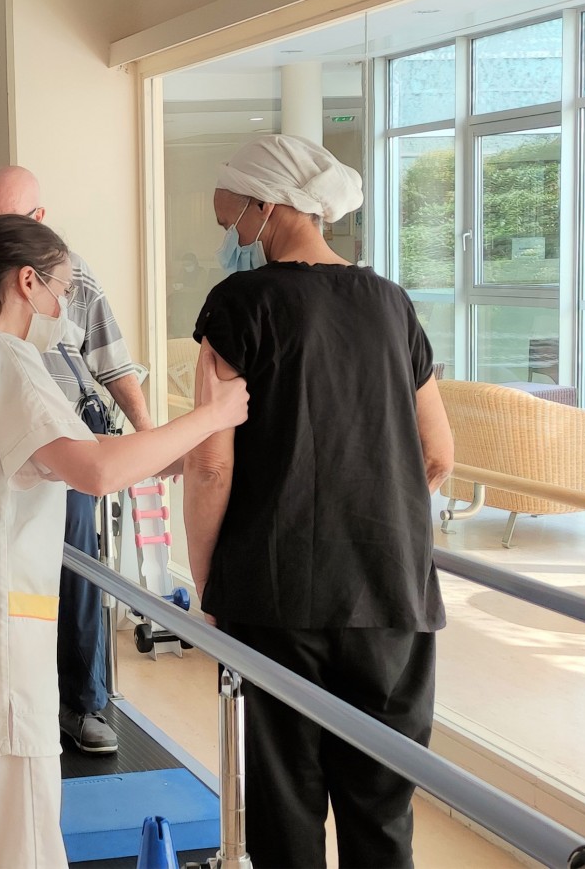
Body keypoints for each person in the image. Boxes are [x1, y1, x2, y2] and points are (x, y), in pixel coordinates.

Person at [0, 214, 247, 868]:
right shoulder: (3, 357)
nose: (65, 308)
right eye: (61, 290)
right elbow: (96, 469)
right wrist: (214, 415)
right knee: (18, 847)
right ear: (27, 282)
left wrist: (177, 453)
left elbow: (84, 455)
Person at [183, 135, 455, 869]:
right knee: (380, 811)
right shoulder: (392, 303)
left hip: (277, 596)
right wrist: (369, 509)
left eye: (231, 221)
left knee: (286, 810)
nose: (230, 238)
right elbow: (438, 452)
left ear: (268, 208)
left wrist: (210, 583)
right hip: (393, 594)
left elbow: (211, 464)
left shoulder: (240, 303)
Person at [0, 166, 153, 755]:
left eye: (8, 221)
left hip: (67, 435)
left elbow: (113, 362)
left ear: (39, 221)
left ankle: (80, 703)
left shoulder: (73, 278)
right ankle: (0, 696)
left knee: (73, 569)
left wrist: (148, 436)